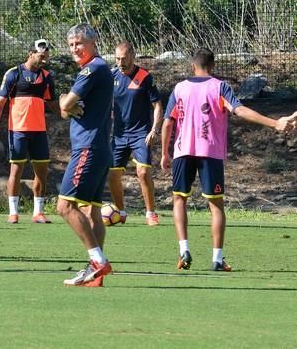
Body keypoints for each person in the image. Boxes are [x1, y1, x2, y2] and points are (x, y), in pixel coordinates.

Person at [161, 48, 295, 271]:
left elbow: (168, 122)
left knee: (179, 200)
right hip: (210, 153)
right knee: (216, 206)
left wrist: (165, 153)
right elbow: (240, 111)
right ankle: (217, 258)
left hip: (182, 152)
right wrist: (275, 123)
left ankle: (184, 249)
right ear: (212, 66)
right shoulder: (219, 87)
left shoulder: (179, 88)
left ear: (192, 66)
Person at [56, 23, 113, 287]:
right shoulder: (95, 69)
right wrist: (68, 105)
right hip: (100, 148)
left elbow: (65, 105)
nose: (75, 49)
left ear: (93, 42)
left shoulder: (94, 68)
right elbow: (69, 108)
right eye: (71, 45)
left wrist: (65, 101)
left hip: (88, 148)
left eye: (79, 43)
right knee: (92, 211)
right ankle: (95, 273)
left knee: (65, 206)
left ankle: (98, 261)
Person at [0, 39, 59, 224]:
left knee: (42, 173)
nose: (44, 60)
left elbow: (52, 103)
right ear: (30, 53)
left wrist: (67, 114)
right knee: (16, 171)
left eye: (46, 57)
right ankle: (13, 212)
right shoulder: (14, 74)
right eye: (41, 56)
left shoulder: (46, 77)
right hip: (18, 131)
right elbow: (0, 103)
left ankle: (38, 212)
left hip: (39, 132)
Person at [107, 42, 163, 226]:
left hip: (141, 134)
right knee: (113, 175)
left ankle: (150, 213)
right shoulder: (112, 76)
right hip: (119, 135)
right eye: (117, 59)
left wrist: (155, 129)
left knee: (143, 172)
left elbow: (157, 106)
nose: (120, 62)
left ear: (132, 56)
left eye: (123, 59)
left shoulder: (144, 77)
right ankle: (121, 212)